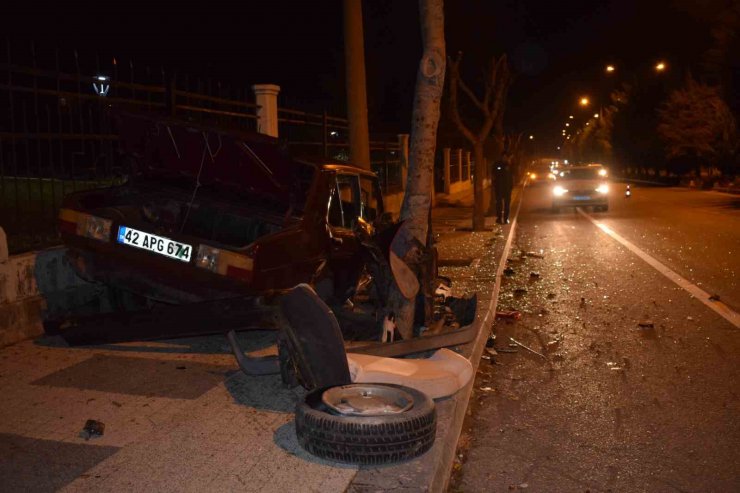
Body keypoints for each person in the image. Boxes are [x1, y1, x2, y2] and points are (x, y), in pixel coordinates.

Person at [493, 153, 513, 224]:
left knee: (507, 205)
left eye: (506, 157)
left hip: (507, 188)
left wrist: (511, 186)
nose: (504, 158)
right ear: (501, 157)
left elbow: (511, 177)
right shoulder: (497, 164)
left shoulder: (510, 165)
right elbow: (494, 174)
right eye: (503, 157)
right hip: (499, 188)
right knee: (499, 204)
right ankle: (499, 218)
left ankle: (506, 219)